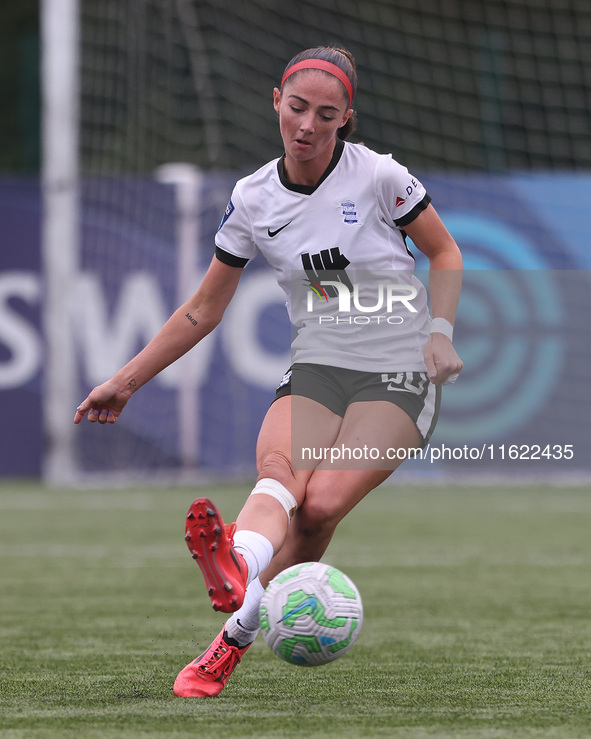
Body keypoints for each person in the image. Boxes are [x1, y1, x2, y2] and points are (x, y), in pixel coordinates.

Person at [74, 46, 463, 697]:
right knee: (279, 474)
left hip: (397, 371)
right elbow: (203, 308)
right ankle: (237, 563)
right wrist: (126, 379)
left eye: (326, 114)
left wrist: (440, 334)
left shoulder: (377, 176)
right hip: (317, 366)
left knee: (319, 506)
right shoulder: (253, 198)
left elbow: (444, 251)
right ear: (275, 101)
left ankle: (230, 639)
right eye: (297, 107)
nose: (307, 124)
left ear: (346, 120)